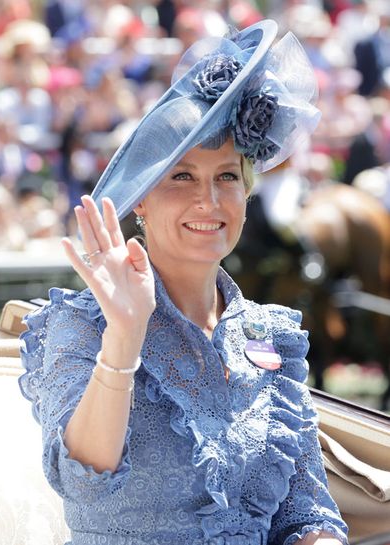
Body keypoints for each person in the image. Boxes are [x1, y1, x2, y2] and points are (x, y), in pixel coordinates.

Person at [19, 20, 349, 545]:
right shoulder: (83, 324)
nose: (209, 201)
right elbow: (80, 480)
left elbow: (303, 514)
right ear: (141, 202)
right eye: (182, 177)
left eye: (226, 177)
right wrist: (124, 337)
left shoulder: (271, 336)